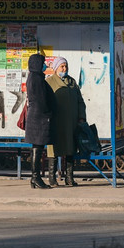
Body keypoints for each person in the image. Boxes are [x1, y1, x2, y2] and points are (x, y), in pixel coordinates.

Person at [46, 56, 86, 187]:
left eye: (65, 66)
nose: (64, 69)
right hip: (55, 122)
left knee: (70, 149)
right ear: (55, 68)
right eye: (62, 66)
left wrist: (81, 117)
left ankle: (69, 178)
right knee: (53, 150)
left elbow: (80, 101)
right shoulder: (49, 82)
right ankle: (52, 178)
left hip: (71, 122)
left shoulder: (72, 82)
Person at [24, 53, 55, 189]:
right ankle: (36, 177)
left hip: (36, 116)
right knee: (38, 147)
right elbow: (42, 99)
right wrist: (48, 111)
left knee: (37, 147)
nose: (45, 65)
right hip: (39, 117)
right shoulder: (37, 78)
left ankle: (34, 178)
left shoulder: (33, 77)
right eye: (43, 63)